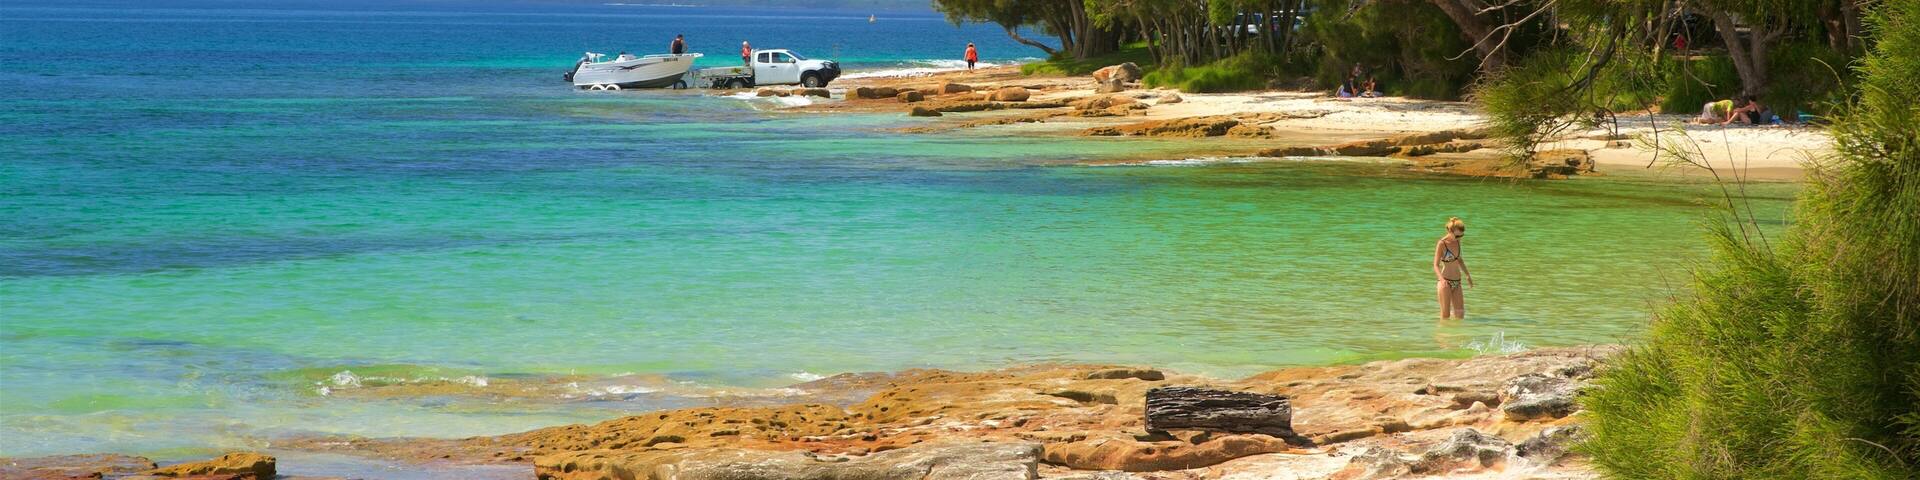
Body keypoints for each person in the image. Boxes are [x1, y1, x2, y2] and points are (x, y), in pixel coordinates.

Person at [1433, 217, 1473, 320]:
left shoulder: (1458, 242)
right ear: (1450, 231)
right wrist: (1441, 279)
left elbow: (1460, 260)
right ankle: (1443, 335)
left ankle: (1457, 335)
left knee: (1460, 315)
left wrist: (1468, 275)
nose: (1460, 238)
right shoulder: (1442, 243)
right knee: (1445, 316)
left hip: (1457, 282)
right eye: (1457, 235)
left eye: (1462, 235)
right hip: (1445, 282)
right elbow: (1435, 265)